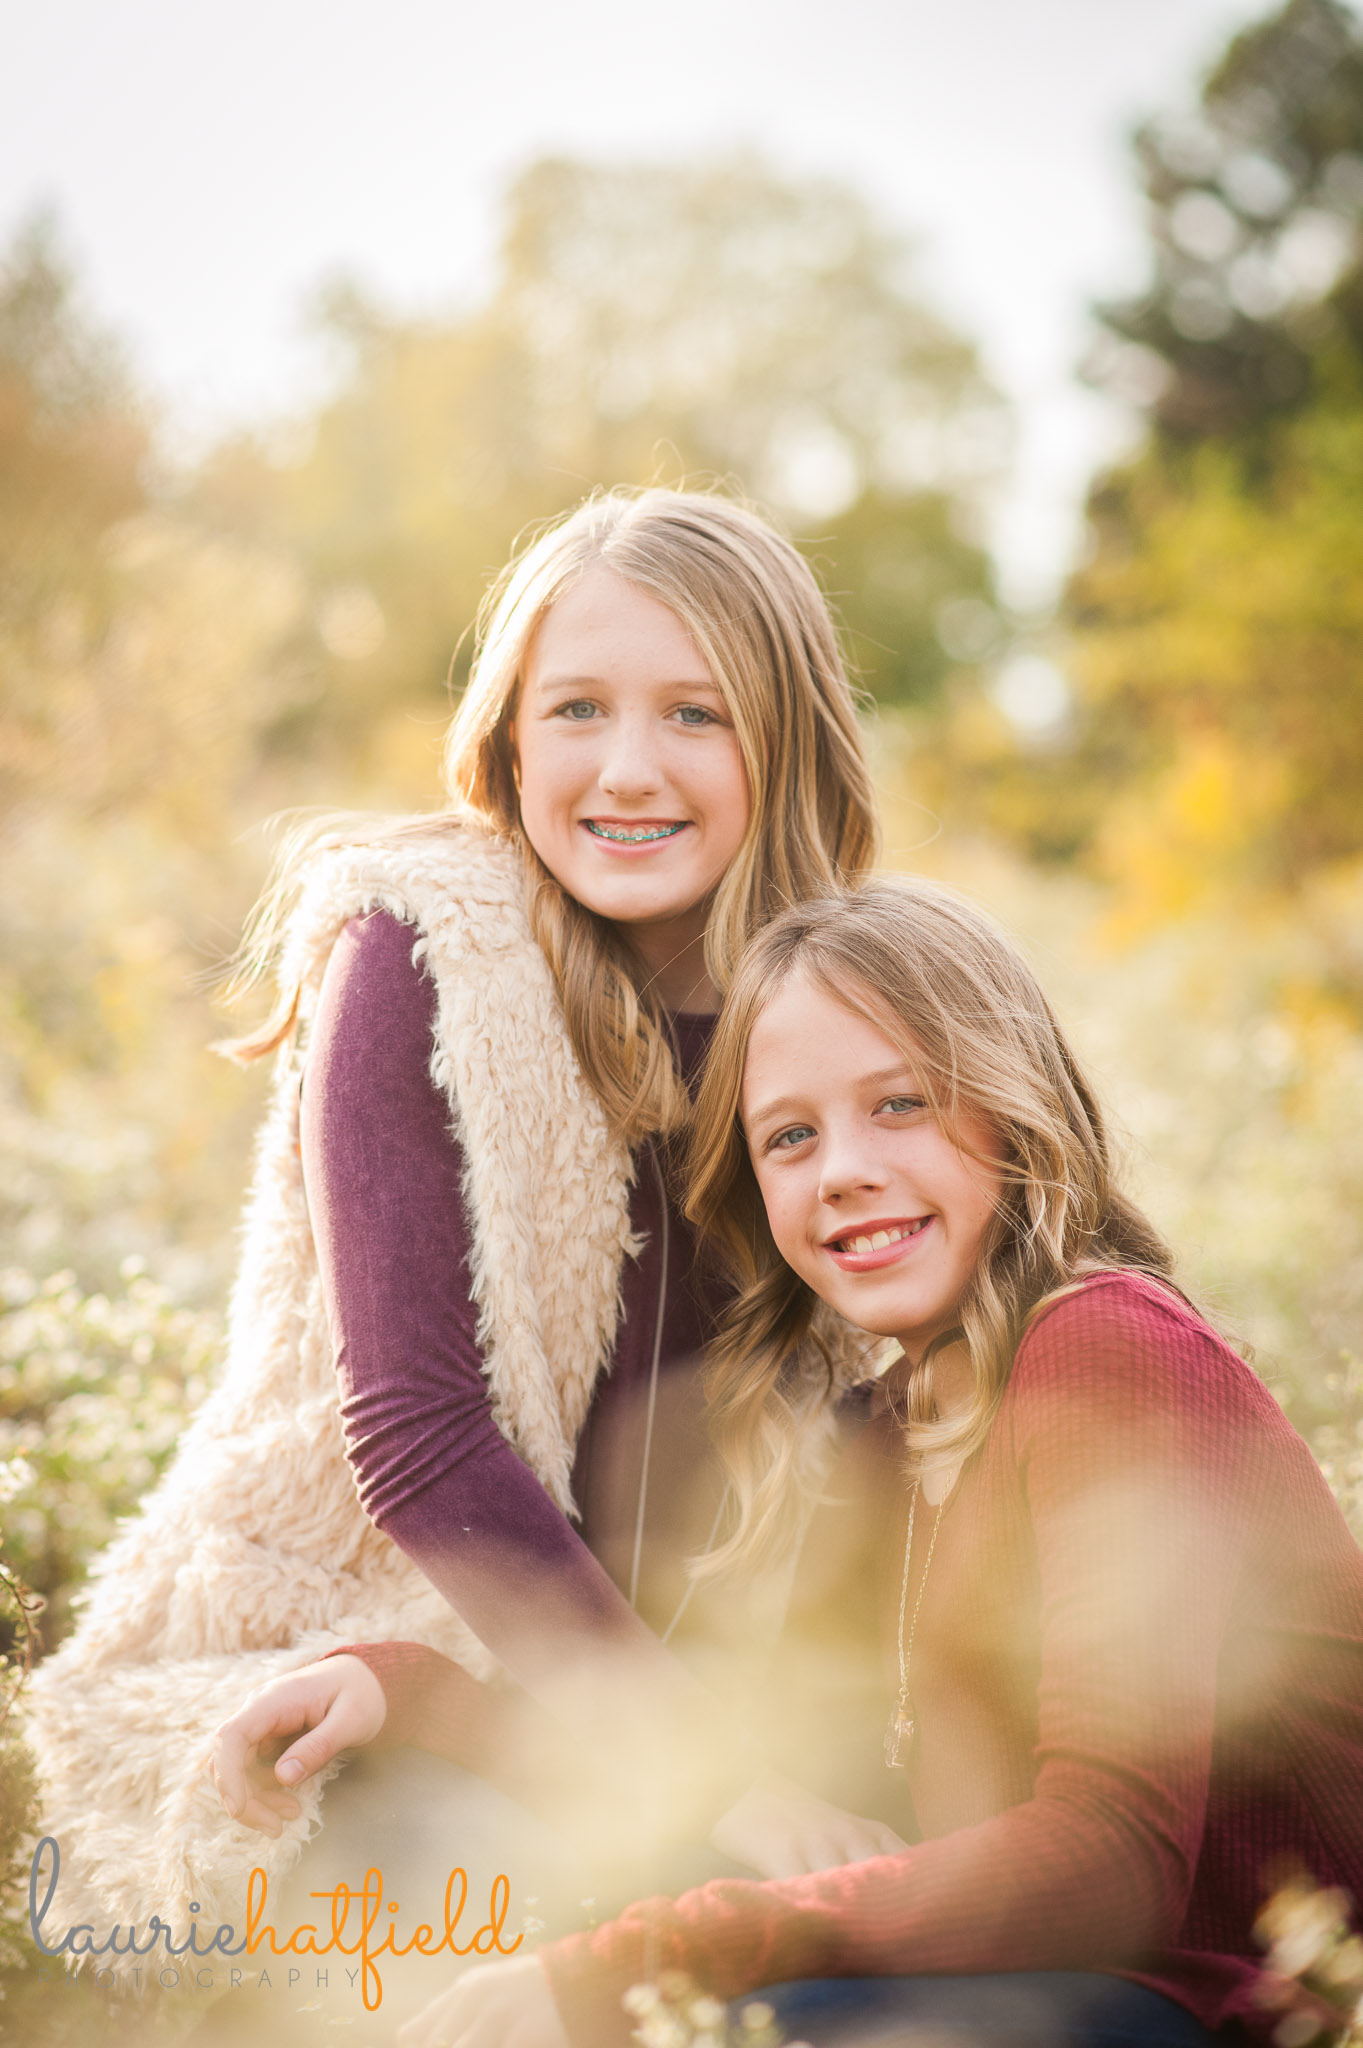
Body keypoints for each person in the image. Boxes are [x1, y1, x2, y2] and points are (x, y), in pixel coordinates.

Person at [23, 488, 896, 1964]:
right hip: (379, 1657)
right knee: (523, 1928)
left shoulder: (838, 999)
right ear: (505, 738)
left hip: (709, 1687)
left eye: (695, 714)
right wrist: (715, 1778)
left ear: (787, 739)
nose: (628, 768)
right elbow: (418, 1434)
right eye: (576, 709)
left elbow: (921, 1366)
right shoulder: (423, 955)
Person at [405, 879, 1363, 2048]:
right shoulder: (893, 1430)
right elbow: (721, 1762)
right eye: (790, 1135)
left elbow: (1110, 1863)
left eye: (900, 1102)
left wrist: (649, 1957)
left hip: (1240, 2000)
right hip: (1063, 1989)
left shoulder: (1107, 1344)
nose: (841, 1169)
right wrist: (406, 1692)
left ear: (1011, 1109)